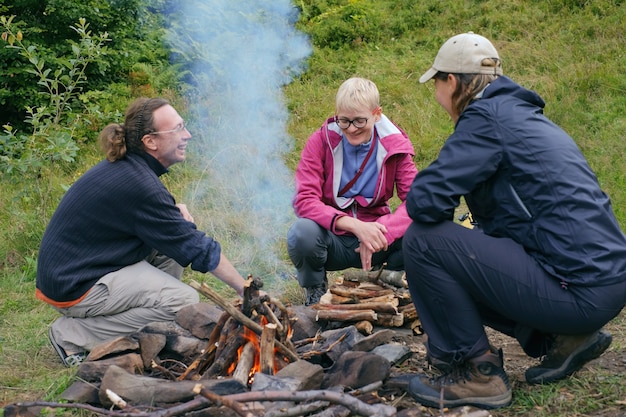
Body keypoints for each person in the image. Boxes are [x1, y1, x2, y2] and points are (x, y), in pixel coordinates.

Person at [402, 32, 626, 410]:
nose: (437, 94)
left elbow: (424, 200)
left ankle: (478, 374)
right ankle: (564, 339)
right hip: (604, 280)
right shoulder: (520, 115)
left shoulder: (485, 120)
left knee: (423, 242)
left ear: (451, 81)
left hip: (579, 290)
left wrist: (441, 235)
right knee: (449, 249)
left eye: (436, 83)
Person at [36, 97, 247, 367]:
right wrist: (243, 289)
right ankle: (73, 334)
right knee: (183, 300)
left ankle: (154, 326)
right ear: (150, 141)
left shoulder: (132, 169)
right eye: (178, 129)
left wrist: (172, 210)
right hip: (75, 285)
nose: (188, 135)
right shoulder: (137, 183)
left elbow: (164, 228)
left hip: (82, 267)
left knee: (172, 248)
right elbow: (197, 247)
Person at [287, 77, 418, 305]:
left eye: (359, 121)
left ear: (377, 114)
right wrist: (356, 226)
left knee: (424, 230)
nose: (351, 129)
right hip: (333, 238)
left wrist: (383, 231)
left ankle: (391, 279)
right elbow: (304, 200)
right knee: (302, 233)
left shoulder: (394, 145)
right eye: (344, 121)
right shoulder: (321, 141)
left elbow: (418, 201)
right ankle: (316, 290)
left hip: (379, 240)